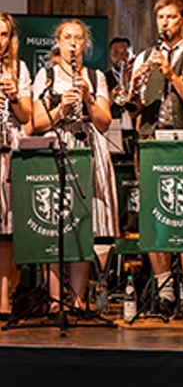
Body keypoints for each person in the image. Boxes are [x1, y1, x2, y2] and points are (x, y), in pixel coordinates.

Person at [128, 0, 183, 316]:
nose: (164, 23)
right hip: (151, 143)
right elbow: (134, 109)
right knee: (155, 215)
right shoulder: (144, 56)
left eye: (171, 17)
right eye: (160, 18)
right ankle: (164, 290)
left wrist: (172, 77)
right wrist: (134, 88)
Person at [30, 19, 118, 311]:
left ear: (85, 44)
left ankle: (79, 299)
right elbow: (36, 123)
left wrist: (89, 99)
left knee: (83, 223)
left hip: (88, 148)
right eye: (67, 37)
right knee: (54, 223)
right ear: (58, 42)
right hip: (56, 148)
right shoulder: (46, 76)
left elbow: (104, 123)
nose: (72, 43)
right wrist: (61, 108)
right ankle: (56, 299)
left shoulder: (95, 76)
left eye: (78, 38)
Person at [0, 13, 33, 318]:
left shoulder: (18, 68)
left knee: (6, 228)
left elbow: (26, 117)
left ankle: (4, 296)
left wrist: (13, 97)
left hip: (8, 149)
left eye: (4, 35)